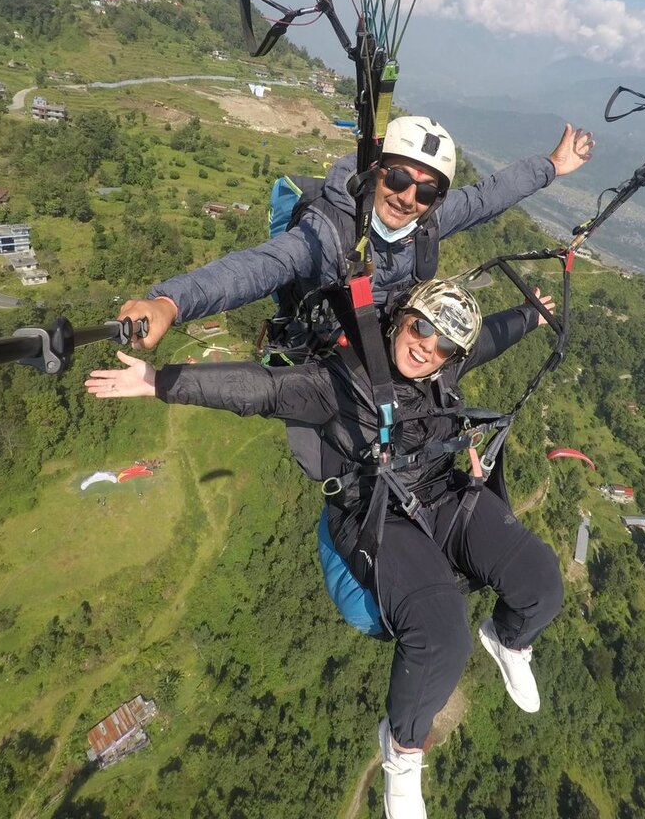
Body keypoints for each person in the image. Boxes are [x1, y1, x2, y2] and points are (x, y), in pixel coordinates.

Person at [87, 278, 563, 819]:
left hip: (440, 493)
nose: (427, 347)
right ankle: (403, 753)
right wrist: (160, 381)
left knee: (542, 582)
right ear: (399, 319)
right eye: (421, 328)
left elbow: (488, 338)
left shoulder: (444, 364)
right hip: (374, 511)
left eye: (443, 345)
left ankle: (508, 640)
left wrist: (530, 316)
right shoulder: (337, 382)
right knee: (441, 631)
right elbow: (260, 390)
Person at [117, 115, 594, 349]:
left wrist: (551, 166)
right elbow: (257, 268)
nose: (408, 198)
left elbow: (488, 195)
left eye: (425, 192)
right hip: (330, 341)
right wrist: (170, 302)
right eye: (400, 179)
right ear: (375, 172)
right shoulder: (327, 233)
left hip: (390, 333)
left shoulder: (427, 222)